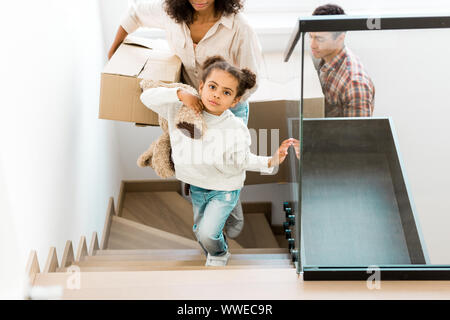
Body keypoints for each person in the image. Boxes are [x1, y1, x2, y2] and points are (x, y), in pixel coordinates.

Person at [109, 0, 264, 239]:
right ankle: (208, 227)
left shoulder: (238, 28)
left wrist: (217, 106)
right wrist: (113, 52)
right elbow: (134, 14)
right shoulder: (170, 13)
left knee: (225, 170)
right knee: (195, 167)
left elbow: (250, 83)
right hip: (189, 106)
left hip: (226, 110)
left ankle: (231, 226)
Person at [140, 56, 296, 266]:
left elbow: (242, 160)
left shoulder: (235, 128)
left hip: (224, 188)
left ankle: (220, 253)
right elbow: (147, 97)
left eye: (226, 92)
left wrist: (271, 161)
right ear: (201, 86)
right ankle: (221, 229)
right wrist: (179, 94)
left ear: (234, 101)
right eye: (212, 87)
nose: (216, 95)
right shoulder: (179, 108)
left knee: (208, 234)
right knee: (199, 231)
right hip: (197, 186)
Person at [309, 4, 375, 117]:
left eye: (319, 39)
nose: (312, 45)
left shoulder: (354, 84)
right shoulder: (325, 57)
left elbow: (358, 132)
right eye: (311, 36)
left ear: (340, 38)